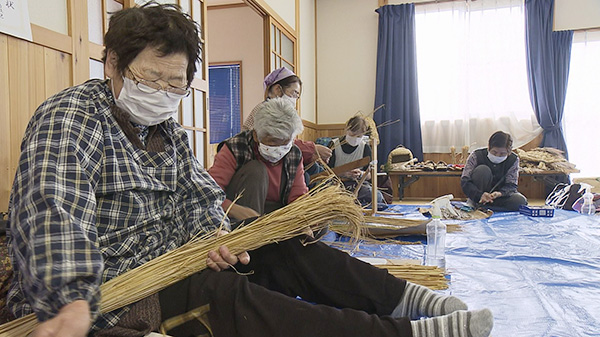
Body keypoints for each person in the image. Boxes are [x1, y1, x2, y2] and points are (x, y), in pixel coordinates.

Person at [5, 4, 493, 337]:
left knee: (276, 242)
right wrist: (70, 299)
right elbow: (53, 209)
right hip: (109, 288)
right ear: (112, 63)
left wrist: (217, 235)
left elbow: (197, 198)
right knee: (230, 296)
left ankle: (410, 301)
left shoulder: (164, 131)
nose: (162, 93)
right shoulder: (70, 118)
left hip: (174, 257)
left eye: (176, 85)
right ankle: (402, 333)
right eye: (149, 78)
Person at [208, 97, 308, 222]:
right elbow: (209, 192)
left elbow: (298, 196)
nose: (279, 148)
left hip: (275, 215)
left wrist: (303, 219)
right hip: (238, 214)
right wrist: (233, 209)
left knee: (319, 225)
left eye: (285, 142)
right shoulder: (236, 147)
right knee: (256, 170)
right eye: (272, 141)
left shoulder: (294, 154)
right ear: (256, 135)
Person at [242, 67, 332, 183]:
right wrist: (311, 148)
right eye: (294, 93)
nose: (295, 100)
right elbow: (279, 143)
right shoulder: (265, 111)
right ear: (277, 89)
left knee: (315, 171)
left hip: (276, 162)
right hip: (261, 163)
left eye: (297, 97)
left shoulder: (283, 114)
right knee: (306, 177)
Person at [461, 131, 528, 212]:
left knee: (520, 201)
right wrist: (479, 195)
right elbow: (465, 180)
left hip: (499, 196)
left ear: (509, 152)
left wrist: (499, 193)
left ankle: (486, 207)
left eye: (502, 154)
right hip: (478, 195)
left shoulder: (513, 160)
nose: (497, 156)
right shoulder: (476, 155)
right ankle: (477, 203)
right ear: (489, 147)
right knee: (482, 170)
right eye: (494, 152)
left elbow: (511, 185)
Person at [328, 115, 384, 207]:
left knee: (376, 196)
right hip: (338, 184)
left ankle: (350, 203)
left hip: (357, 184)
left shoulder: (365, 147)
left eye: (359, 136)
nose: (355, 138)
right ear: (347, 129)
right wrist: (343, 173)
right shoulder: (334, 145)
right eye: (352, 135)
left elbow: (370, 175)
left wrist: (361, 174)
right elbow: (327, 171)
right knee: (329, 194)